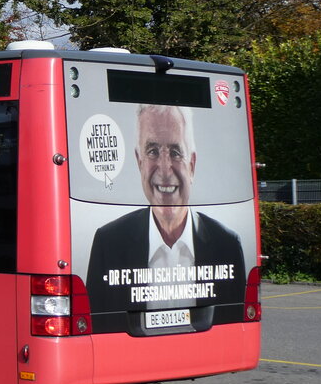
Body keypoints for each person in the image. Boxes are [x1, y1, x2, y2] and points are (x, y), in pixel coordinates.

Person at [86, 104, 244, 316]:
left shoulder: (228, 245)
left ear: (192, 165)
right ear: (139, 162)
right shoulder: (108, 244)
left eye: (176, 152)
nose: (164, 168)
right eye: (152, 151)